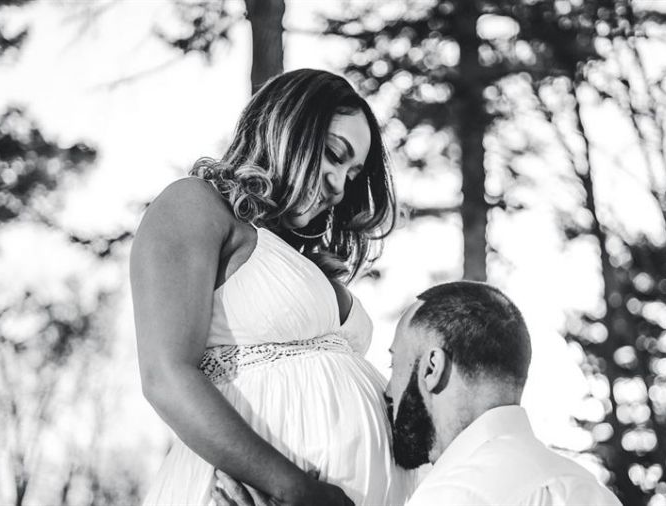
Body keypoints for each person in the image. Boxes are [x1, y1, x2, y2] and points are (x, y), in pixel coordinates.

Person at [130, 68, 409, 505]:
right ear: (287, 127)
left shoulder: (300, 258)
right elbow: (165, 376)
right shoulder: (197, 206)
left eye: (353, 174)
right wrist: (293, 488)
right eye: (335, 155)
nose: (339, 187)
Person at [212, 281, 622, 506]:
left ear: (431, 368)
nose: (387, 391)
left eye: (395, 365)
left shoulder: (458, 496)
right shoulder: (588, 490)